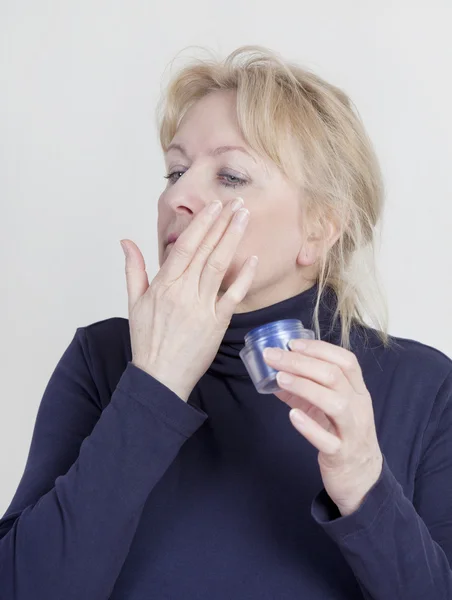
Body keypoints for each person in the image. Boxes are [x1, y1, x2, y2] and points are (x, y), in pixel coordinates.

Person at [1, 44, 451, 600]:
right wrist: (153, 387)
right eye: (175, 170)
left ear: (318, 229)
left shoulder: (423, 387)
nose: (178, 197)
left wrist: (364, 485)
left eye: (231, 176)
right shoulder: (104, 360)